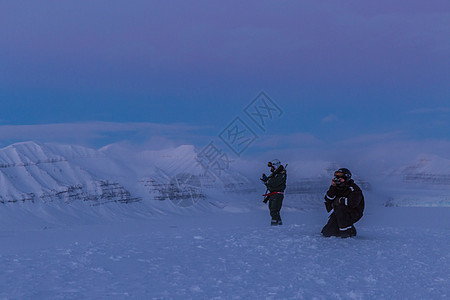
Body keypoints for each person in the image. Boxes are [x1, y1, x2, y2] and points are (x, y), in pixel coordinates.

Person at [321, 168, 364, 238]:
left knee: (340, 208)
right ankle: (347, 227)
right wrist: (333, 187)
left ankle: (346, 231)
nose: (338, 179)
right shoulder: (336, 187)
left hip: (354, 212)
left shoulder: (354, 189)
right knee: (327, 232)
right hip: (339, 212)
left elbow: (352, 203)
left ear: (346, 178)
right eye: (336, 177)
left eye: (341, 178)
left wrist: (340, 200)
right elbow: (328, 198)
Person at [260, 159, 287, 226]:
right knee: (274, 211)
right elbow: (270, 183)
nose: (271, 168)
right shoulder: (275, 174)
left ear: (276, 166)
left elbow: (274, 183)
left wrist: (267, 181)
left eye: (272, 167)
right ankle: (279, 225)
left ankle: (274, 226)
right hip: (273, 195)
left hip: (277, 195)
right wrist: (266, 181)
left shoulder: (281, 174)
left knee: (274, 211)